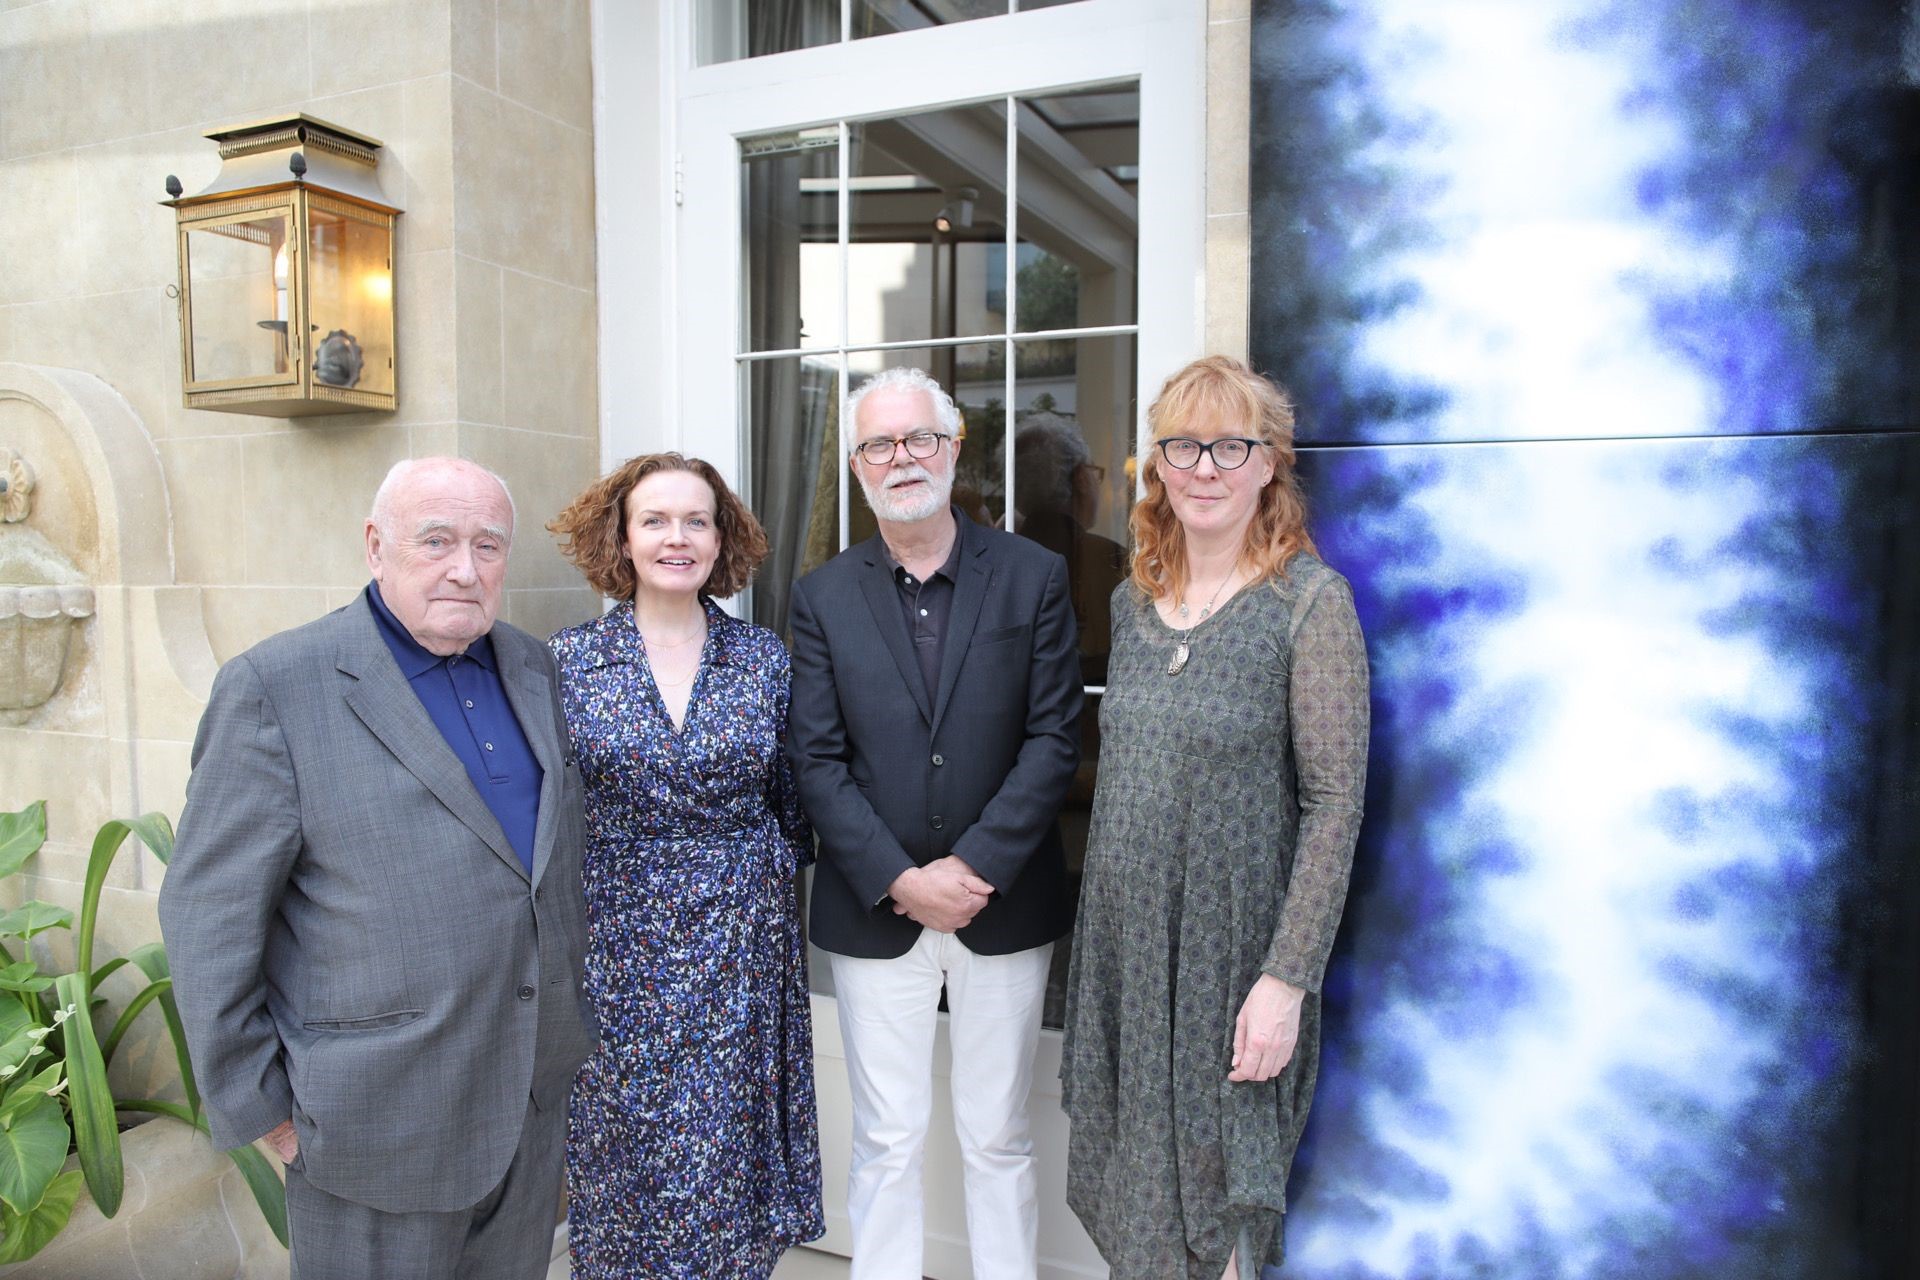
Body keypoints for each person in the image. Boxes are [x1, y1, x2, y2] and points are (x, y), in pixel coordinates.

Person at [158, 457, 596, 1280]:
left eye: (487, 545)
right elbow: (208, 916)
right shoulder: (276, 686)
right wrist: (262, 1107)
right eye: (436, 541)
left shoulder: (533, 667)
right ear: (374, 546)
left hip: (527, 1111)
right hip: (371, 1128)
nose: (464, 569)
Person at [1061, 356, 1370, 1280]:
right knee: (1135, 1200)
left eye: (1229, 447)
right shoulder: (1131, 602)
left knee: (1215, 1209)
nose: (1204, 468)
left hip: (1232, 963)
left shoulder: (1309, 605)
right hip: (1127, 956)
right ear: (1157, 464)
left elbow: (1334, 805)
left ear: (1267, 463)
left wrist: (1286, 980)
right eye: (1183, 447)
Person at [787, 365, 1083, 1280]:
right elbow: (816, 759)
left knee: (997, 1135)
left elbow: (1055, 737)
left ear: (954, 448)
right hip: (877, 907)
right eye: (879, 444)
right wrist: (903, 879)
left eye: (919, 437)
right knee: (886, 1137)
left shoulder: (1032, 576)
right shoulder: (821, 596)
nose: (901, 457)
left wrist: (973, 866)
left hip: (1004, 904)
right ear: (856, 465)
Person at [546, 453, 824, 1278]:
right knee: (621, 1140)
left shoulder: (764, 659)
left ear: (721, 537)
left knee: (728, 1146)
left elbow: (794, 804)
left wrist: (747, 881)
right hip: (616, 942)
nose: (678, 538)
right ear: (622, 538)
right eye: (656, 521)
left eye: (696, 521)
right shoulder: (566, 662)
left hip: (740, 942)